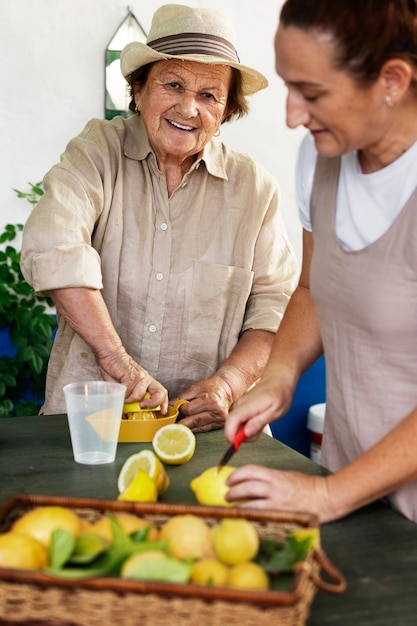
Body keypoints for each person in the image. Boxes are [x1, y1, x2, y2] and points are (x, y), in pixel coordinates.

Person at [20, 4, 298, 432]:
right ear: (139, 90)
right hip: (91, 424)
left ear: (225, 112)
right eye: (173, 84)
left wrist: (227, 386)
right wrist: (117, 361)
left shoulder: (255, 190)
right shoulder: (96, 151)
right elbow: (55, 246)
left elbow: (275, 308)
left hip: (203, 433)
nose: (189, 109)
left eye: (209, 95)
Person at [225, 0, 417, 523]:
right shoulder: (320, 157)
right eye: (289, 86)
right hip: (351, 489)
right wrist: (279, 374)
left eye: (311, 93)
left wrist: (327, 497)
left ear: (392, 79)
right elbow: (311, 288)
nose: (292, 116)